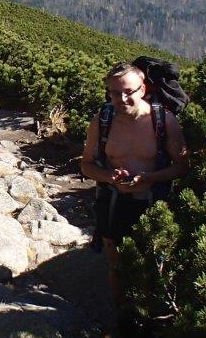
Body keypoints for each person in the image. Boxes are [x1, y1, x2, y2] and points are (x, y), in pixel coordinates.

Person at [80, 62, 189, 302]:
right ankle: (123, 317)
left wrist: (149, 178)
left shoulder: (163, 122)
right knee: (116, 261)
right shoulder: (103, 121)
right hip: (114, 201)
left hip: (151, 202)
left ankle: (152, 313)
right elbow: (86, 164)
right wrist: (108, 176)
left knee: (153, 262)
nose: (122, 98)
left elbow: (181, 166)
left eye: (129, 91)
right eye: (115, 93)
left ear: (142, 89)